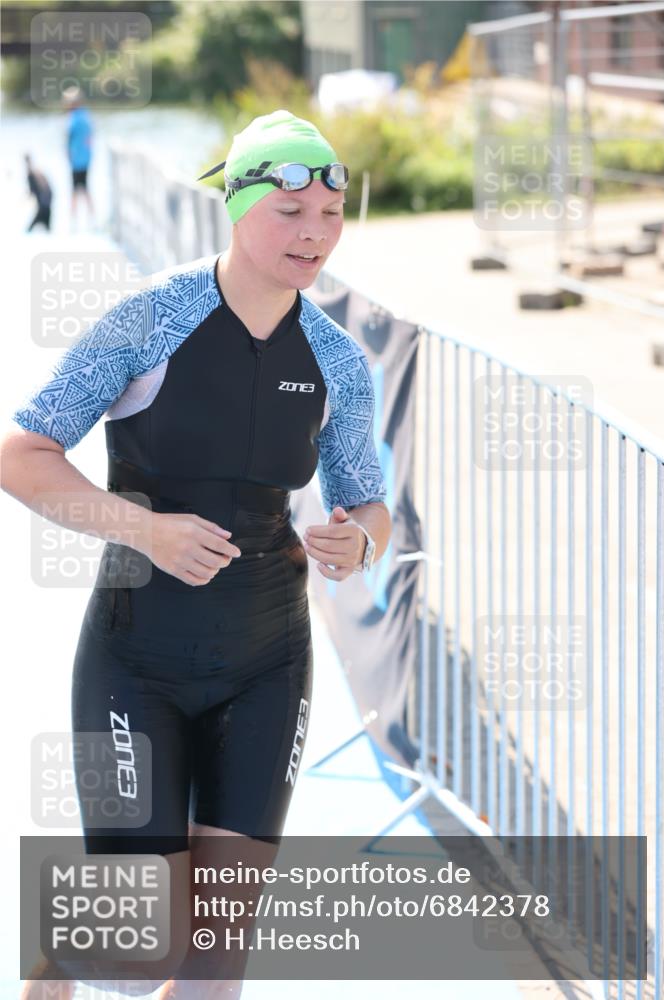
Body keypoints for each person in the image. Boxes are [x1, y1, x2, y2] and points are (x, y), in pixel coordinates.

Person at [2, 109, 391, 999]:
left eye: (329, 217)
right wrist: (143, 529)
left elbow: (367, 502)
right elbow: (21, 454)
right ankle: (63, 957)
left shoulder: (337, 359)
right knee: (135, 954)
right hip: (136, 658)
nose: (314, 236)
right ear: (237, 203)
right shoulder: (147, 318)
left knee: (217, 961)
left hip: (269, 660)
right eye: (290, 213)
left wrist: (358, 537)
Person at [63, 85, 95, 230]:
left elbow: (68, 138)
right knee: (85, 187)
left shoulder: (74, 118)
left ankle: (73, 222)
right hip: (86, 158)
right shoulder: (86, 115)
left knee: (75, 190)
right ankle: (92, 219)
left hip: (76, 160)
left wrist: (68, 154)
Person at [24, 153, 52, 232]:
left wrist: (45, 197)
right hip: (42, 202)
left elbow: (44, 185)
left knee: (42, 220)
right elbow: (32, 189)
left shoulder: (35, 172)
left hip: (44, 202)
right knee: (44, 223)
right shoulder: (30, 172)